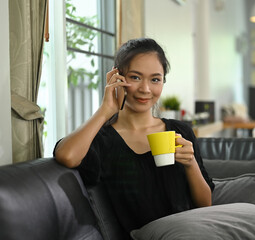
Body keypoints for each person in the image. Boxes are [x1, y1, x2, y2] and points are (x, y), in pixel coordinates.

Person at [54, 38, 214, 235]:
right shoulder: (103, 140)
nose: (145, 89)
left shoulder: (180, 131)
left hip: (193, 233)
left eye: (155, 79)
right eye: (136, 77)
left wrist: (191, 165)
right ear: (117, 77)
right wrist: (106, 109)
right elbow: (66, 156)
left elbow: (206, 204)